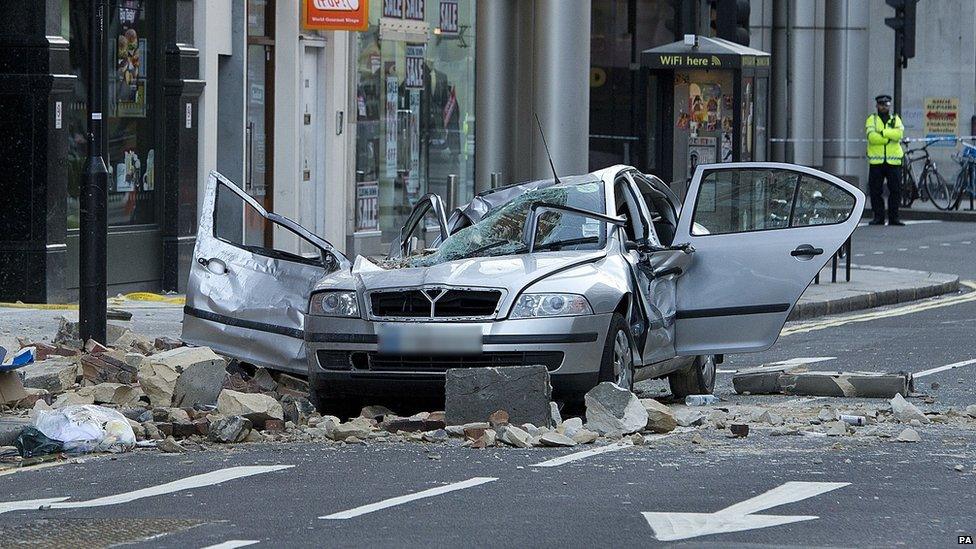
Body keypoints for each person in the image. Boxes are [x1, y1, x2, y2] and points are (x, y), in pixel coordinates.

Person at [865, 94, 905, 225]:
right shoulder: (872, 119)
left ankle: (894, 218)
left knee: (896, 190)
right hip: (877, 162)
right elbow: (871, 137)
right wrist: (889, 137)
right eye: (881, 104)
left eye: (886, 104)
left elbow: (899, 135)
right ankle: (879, 217)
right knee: (875, 191)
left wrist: (882, 133)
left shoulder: (895, 119)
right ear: (877, 105)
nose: (883, 106)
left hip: (894, 161)